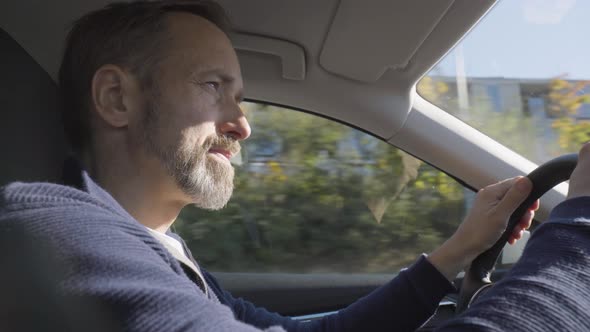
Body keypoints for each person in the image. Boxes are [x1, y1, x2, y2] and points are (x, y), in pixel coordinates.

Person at [1, 0, 586, 331]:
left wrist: (457, 252)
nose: (242, 124)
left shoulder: (153, 253)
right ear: (116, 99)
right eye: (213, 87)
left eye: (241, 97)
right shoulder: (55, 232)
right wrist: (578, 238)